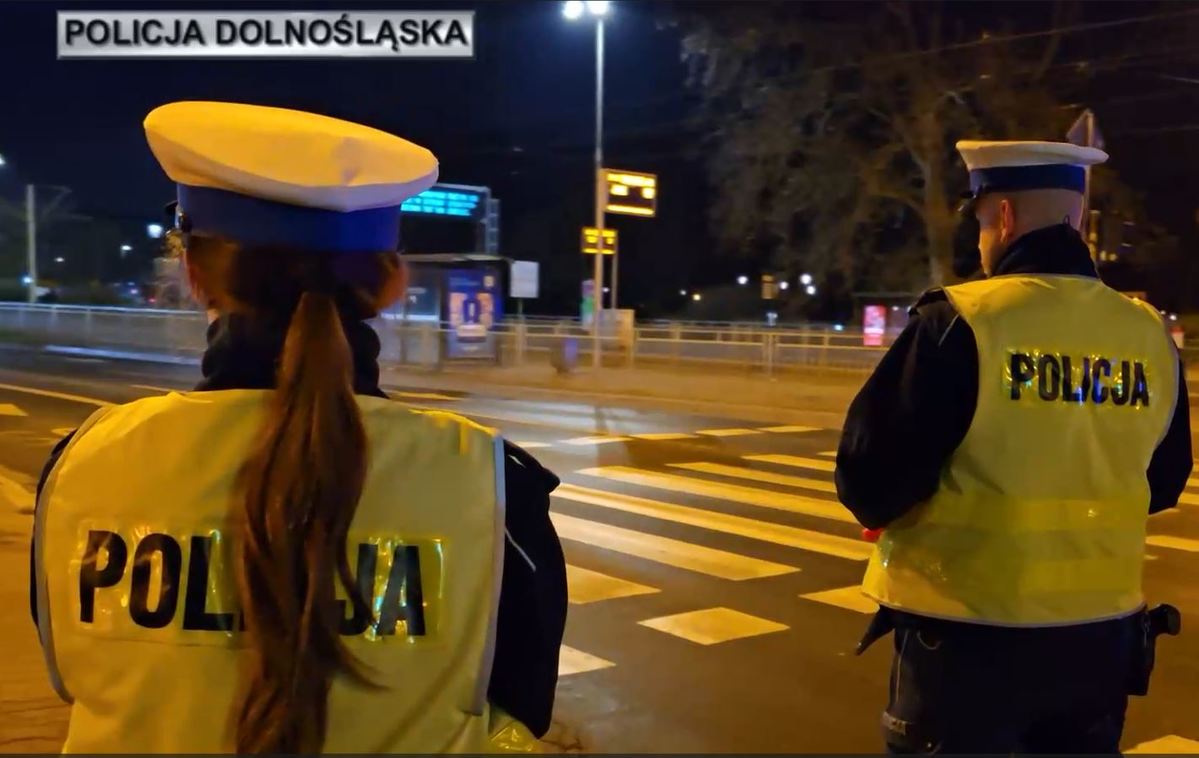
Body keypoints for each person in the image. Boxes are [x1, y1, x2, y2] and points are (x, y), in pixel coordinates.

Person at [29, 101, 567, 753]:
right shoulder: (492, 485)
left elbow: (71, 677)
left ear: (194, 274)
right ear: (391, 283)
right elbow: (519, 713)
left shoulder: (84, 463)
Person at [836, 140, 1192, 754]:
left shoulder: (962, 321)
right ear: (1076, 218)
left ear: (1002, 217)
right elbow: (1163, 483)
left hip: (966, 642)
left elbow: (868, 480)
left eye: (979, 222)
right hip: (1100, 644)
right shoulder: (1147, 334)